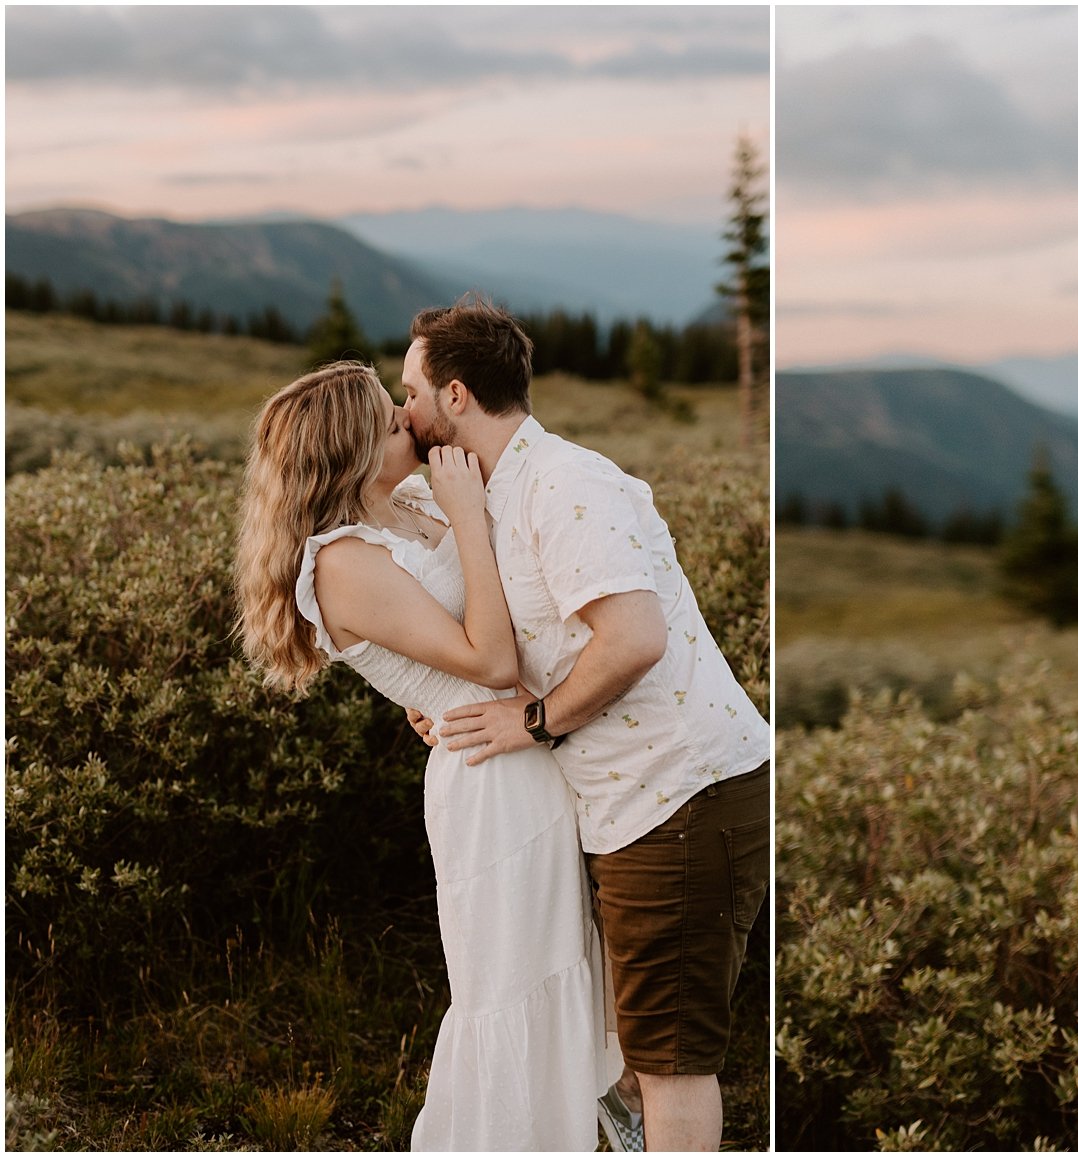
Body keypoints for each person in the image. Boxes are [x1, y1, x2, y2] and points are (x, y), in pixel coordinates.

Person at [399, 297, 770, 1153]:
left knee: (669, 1062)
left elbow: (632, 639)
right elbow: (521, 635)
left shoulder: (566, 485)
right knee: (629, 1051)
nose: (402, 410)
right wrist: (451, 705)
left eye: (410, 390)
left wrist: (529, 721)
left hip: (678, 794)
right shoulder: (492, 490)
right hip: (623, 805)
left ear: (456, 396)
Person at [235, 362, 620, 1149]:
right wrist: (469, 519)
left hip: (527, 755)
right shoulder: (339, 562)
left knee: (568, 965)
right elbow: (489, 661)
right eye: (386, 422)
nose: (406, 423)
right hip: (491, 785)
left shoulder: (403, 506)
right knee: (514, 982)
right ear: (348, 454)